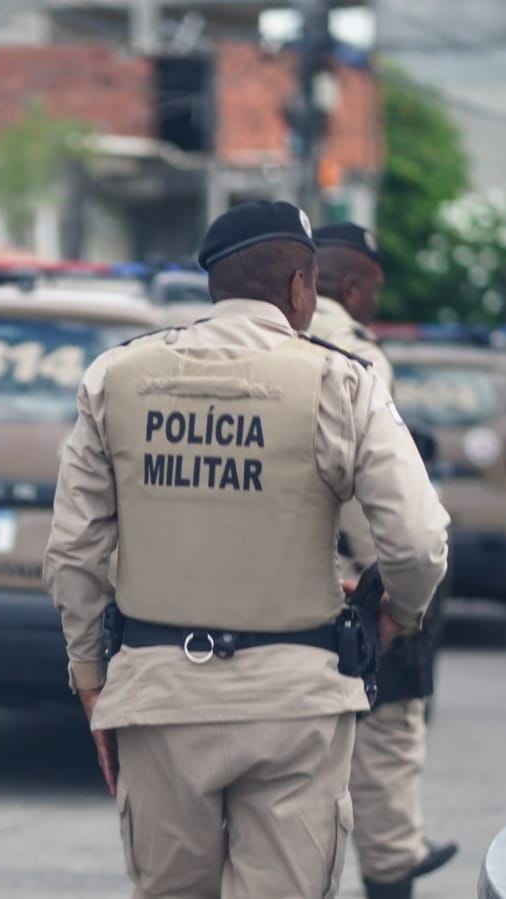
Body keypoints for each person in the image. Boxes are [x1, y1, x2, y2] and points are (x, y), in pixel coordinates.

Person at [44, 200, 450, 898]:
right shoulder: (342, 381)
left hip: (159, 694)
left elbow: (75, 551)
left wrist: (90, 678)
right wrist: (400, 616)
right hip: (294, 704)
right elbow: (417, 541)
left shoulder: (115, 378)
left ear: (214, 286)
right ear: (301, 288)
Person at [311, 222, 458, 899]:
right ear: (351, 285)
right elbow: (381, 504)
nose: (375, 303)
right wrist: (398, 599)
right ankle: (393, 865)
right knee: (387, 737)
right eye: (373, 290)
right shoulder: (358, 355)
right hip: (352, 583)